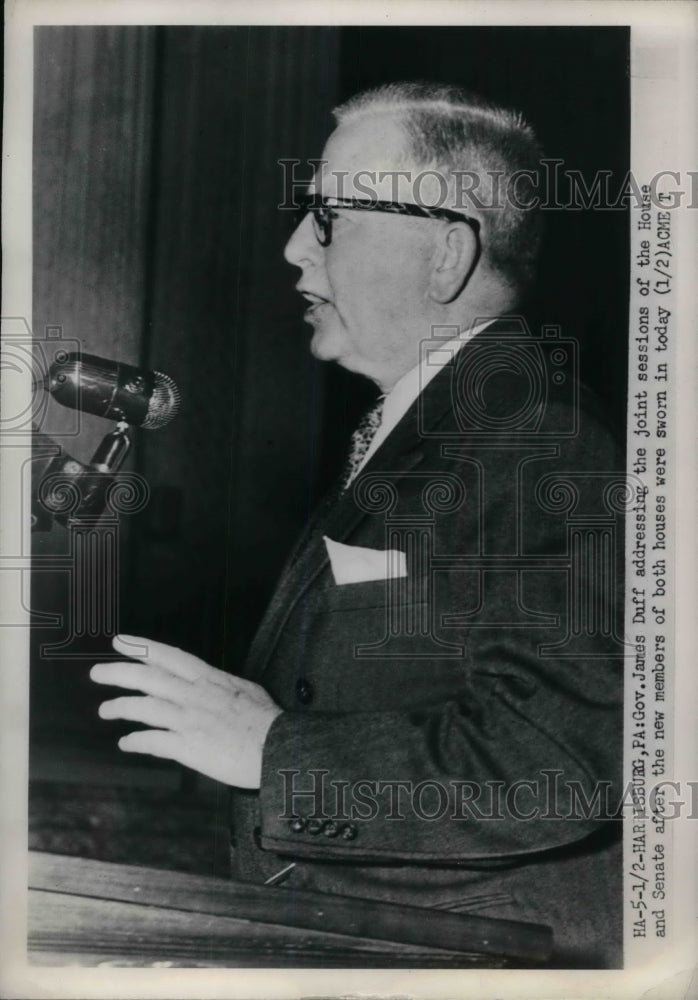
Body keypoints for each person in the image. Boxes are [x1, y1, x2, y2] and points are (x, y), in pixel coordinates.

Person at [90, 83, 624, 967]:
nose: (296, 250)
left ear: (446, 254)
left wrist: (271, 750)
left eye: (330, 217)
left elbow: (556, 763)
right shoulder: (451, 422)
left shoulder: (543, 439)